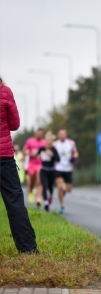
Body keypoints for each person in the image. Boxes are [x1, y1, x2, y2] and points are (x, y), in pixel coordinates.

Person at [0, 76, 38, 253]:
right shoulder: (5, 92)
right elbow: (14, 125)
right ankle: (28, 248)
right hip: (4, 157)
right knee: (14, 202)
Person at [54, 128, 79, 214]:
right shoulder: (55, 144)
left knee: (69, 190)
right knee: (60, 186)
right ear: (58, 135)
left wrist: (75, 157)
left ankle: (64, 190)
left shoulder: (71, 143)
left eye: (63, 134)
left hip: (68, 168)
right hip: (58, 168)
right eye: (60, 134)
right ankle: (62, 205)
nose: (62, 136)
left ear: (66, 134)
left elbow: (75, 152)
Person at [37, 131, 60, 212]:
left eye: (50, 140)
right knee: (44, 185)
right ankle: (46, 202)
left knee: (50, 186)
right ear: (45, 140)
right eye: (47, 139)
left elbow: (58, 159)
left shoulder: (54, 149)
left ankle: (50, 195)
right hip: (43, 170)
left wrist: (51, 155)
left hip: (52, 170)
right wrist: (38, 155)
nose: (49, 141)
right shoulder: (42, 148)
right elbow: (37, 155)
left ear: (52, 140)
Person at [22, 128, 45, 206]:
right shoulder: (30, 141)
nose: (39, 135)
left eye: (40, 134)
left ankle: (39, 198)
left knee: (39, 181)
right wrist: (29, 154)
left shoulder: (44, 142)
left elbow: (47, 150)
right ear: (36, 133)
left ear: (42, 134)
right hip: (31, 164)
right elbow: (24, 150)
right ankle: (31, 191)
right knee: (31, 181)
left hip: (40, 164)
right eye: (38, 133)